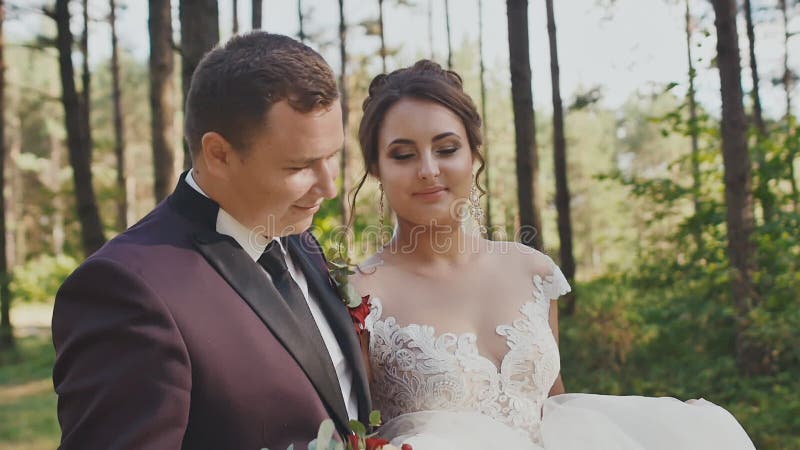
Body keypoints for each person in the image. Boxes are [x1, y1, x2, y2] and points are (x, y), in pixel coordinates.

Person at [349, 60, 756, 450]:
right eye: (403, 155)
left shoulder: (532, 271)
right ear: (377, 168)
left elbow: (554, 411)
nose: (428, 169)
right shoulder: (361, 295)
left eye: (446, 148)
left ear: (473, 155)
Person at [51, 32, 371, 450]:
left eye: (331, 156)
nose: (329, 187)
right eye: (300, 166)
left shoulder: (298, 241)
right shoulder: (128, 289)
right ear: (218, 154)